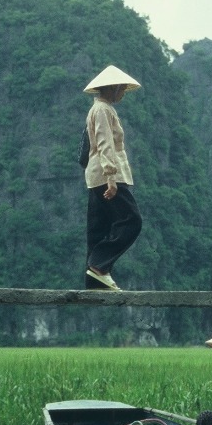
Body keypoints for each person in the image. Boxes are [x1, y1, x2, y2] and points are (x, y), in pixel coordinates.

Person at [82, 65, 143, 291]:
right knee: (131, 220)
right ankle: (99, 266)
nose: (123, 93)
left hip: (95, 175)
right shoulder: (103, 110)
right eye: (122, 89)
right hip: (108, 175)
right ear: (113, 87)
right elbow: (105, 142)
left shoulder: (98, 109)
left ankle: (94, 283)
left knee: (99, 227)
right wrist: (111, 177)